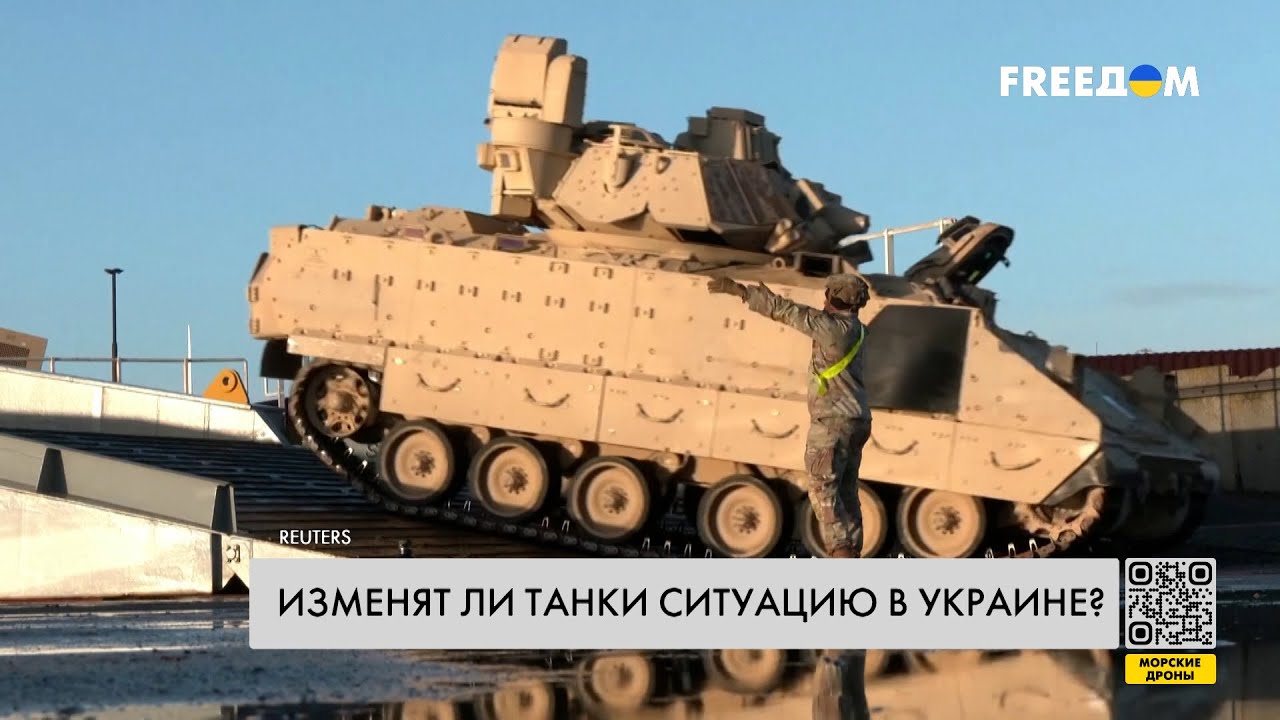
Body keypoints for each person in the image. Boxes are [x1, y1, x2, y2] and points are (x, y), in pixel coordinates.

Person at [706, 273, 872, 558]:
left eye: (828, 294)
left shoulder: (832, 329)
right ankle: (851, 551)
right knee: (846, 492)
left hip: (832, 422)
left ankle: (840, 553)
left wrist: (742, 292)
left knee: (823, 489)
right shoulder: (857, 329)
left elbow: (790, 312)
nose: (823, 300)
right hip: (856, 420)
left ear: (835, 297)